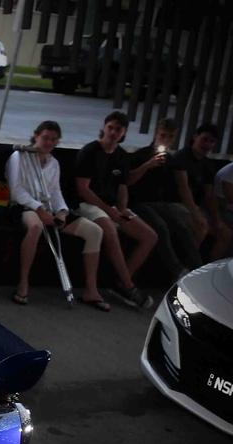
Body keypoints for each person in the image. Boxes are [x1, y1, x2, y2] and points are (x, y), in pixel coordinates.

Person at [5, 121, 107, 309]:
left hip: (49, 209)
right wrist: (39, 209)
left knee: (95, 231)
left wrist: (62, 211)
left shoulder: (54, 163)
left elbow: (55, 192)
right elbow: (16, 190)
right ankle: (23, 283)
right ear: (36, 136)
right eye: (45, 138)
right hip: (24, 207)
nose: (48, 142)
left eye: (53, 139)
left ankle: (91, 290)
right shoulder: (19, 156)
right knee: (36, 227)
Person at [73, 111, 158, 310]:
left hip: (111, 206)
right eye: (110, 127)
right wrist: (110, 212)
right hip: (87, 204)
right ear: (104, 127)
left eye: (118, 129)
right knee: (109, 228)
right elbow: (82, 190)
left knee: (150, 236)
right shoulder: (90, 152)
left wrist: (122, 210)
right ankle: (129, 286)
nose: (113, 132)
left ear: (123, 133)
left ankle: (121, 281)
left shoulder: (121, 156)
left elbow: (122, 186)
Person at [126, 117, 203, 279]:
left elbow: (182, 186)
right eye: (163, 136)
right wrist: (148, 165)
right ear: (156, 134)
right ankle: (177, 269)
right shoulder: (141, 155)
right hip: (138, 202)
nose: (166, 140)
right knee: (160, 227)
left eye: (170, 137)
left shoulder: (172, 160)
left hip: (160, 204)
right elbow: (128, 181)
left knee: (182, 227)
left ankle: (196, 268)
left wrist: (194, 211)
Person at [171, 122, 231, 258]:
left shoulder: (207, 164)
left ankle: (206, 268)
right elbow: (183, 189)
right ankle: (185, 266)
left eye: (211, 141)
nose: (207, 144)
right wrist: (196, 213)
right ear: (195, 137)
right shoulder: (182, 157)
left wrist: (216, 219)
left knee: (225, 232)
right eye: (204, 139)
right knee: (201, 226)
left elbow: (210, 195)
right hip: (176, 203)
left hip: (197, 206)